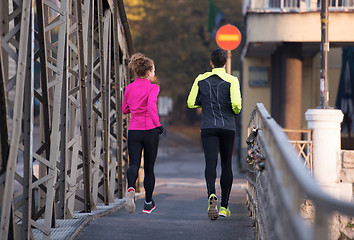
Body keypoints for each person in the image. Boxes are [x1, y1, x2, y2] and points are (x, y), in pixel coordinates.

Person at [187, 48, 242, 220]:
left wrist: (205, 106)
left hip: (208, 127)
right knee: (226, 164)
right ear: (225, 63)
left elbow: (190, 103)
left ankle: (211, 195)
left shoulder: (200, 79)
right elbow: (237, 106)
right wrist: (230, 110)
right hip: (227, 127)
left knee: (210, 163)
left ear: (211, 62)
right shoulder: (232, 80)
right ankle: (225, 207)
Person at [122, 53, 163, 214]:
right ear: (148, 72)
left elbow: (125, 109)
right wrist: (158, 125)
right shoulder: (153, 87)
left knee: (133, 164)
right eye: (153, 70)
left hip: (134, 131)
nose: (154, 73)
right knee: (149, 168)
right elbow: (152, 106)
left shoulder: (129, 88)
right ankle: (147, 202)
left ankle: (131, 187)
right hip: (150, 131)